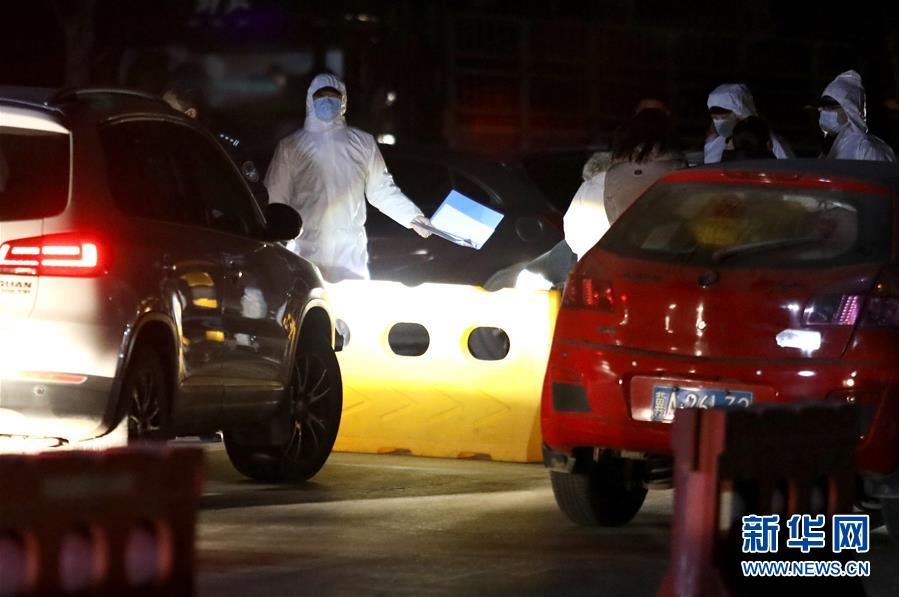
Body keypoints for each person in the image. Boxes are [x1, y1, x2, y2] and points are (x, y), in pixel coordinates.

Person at [264, 73, 432, 282]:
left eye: (333, 96)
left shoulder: (363, 143)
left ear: (343, 100)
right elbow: (276, 199)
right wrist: (271, 245)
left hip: (350, 256)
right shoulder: (291, 147)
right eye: (321, 95)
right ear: (310, 99)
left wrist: (412, 217)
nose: (327, 101)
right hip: (306, 254)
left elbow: (381, 190)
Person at [162, 81, 269, 205]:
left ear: (190, 114)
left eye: (167, 109)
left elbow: (255, 197)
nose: (160, 113)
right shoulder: (159, 147)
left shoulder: (221, 150)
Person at [818, 70, 897, 162]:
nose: (822, 110)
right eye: (822, 106)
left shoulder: (866, 148)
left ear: (849, 110)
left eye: (830, 107)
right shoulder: (829, 149)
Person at [704, 83, 793, 164]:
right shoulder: (715, 144)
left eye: (724, 117)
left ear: (741, 114)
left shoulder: (773, 143)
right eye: (715, 118)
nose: (719, 122)